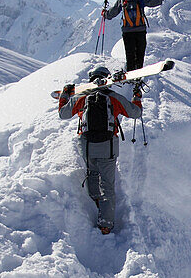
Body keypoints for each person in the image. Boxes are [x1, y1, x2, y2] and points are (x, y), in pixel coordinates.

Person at [57, 66, 143, 234]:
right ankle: (106, 222)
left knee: (93, 173)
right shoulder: (114, 98)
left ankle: (94, 200)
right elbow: (135, 113)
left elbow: (63, 114)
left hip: (87, 146)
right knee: (108, 185)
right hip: (108, 147)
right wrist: (137, 97)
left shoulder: (81, 98)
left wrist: (64, 96)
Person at [103, 0, 163, 72]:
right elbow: (157, 1)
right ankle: (138, 73)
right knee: (140, 54)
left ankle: (130, 74)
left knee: (130, 55)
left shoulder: (121, 0)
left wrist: (104, 13)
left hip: (127, 32)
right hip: (140, 31)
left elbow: (111, 14)